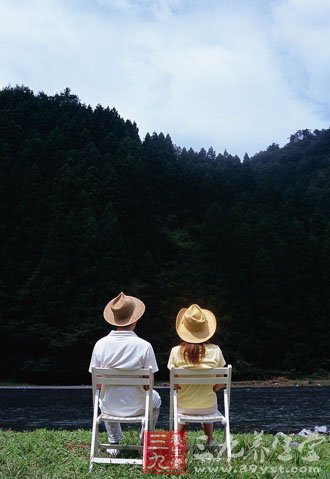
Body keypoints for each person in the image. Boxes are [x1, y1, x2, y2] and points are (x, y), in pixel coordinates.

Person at [89, 292, 161, 456]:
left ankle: (114, 442)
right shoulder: (144, 346)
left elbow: (98, 384)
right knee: (156, 398)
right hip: (138, 406)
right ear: (134, 319)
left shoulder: (100, 345)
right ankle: (145, 439)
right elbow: (148, 385)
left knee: (104, 397)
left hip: (109, 408)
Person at [167, 303, 226, 446]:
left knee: (183, 402)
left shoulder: (175, 352)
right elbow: (220, 383)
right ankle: (210, 440)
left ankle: (179, 442)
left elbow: (174, 385)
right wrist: (211, 389)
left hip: (183, 407)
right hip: (209, 407)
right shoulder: (216, 351)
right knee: (207, 399)